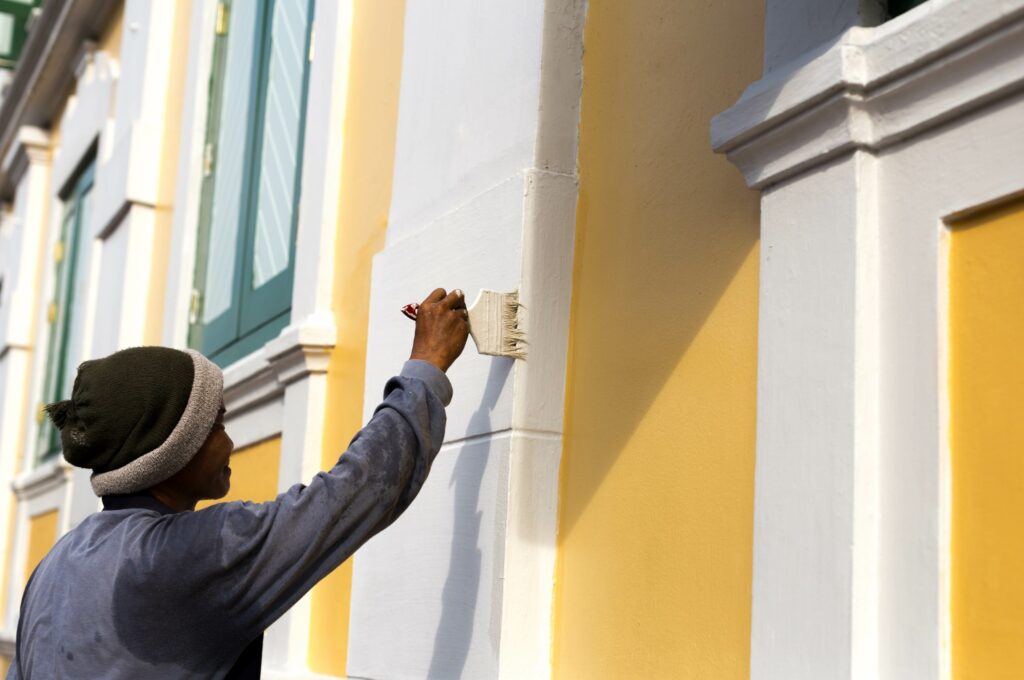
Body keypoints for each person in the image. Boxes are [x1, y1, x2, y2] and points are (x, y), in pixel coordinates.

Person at [6, 288, 470, 679]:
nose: (229, 442)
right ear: (175, 449)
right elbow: (358, 491)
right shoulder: (191, 555)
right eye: (217, 424)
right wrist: (425, 367)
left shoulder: (54, 564)